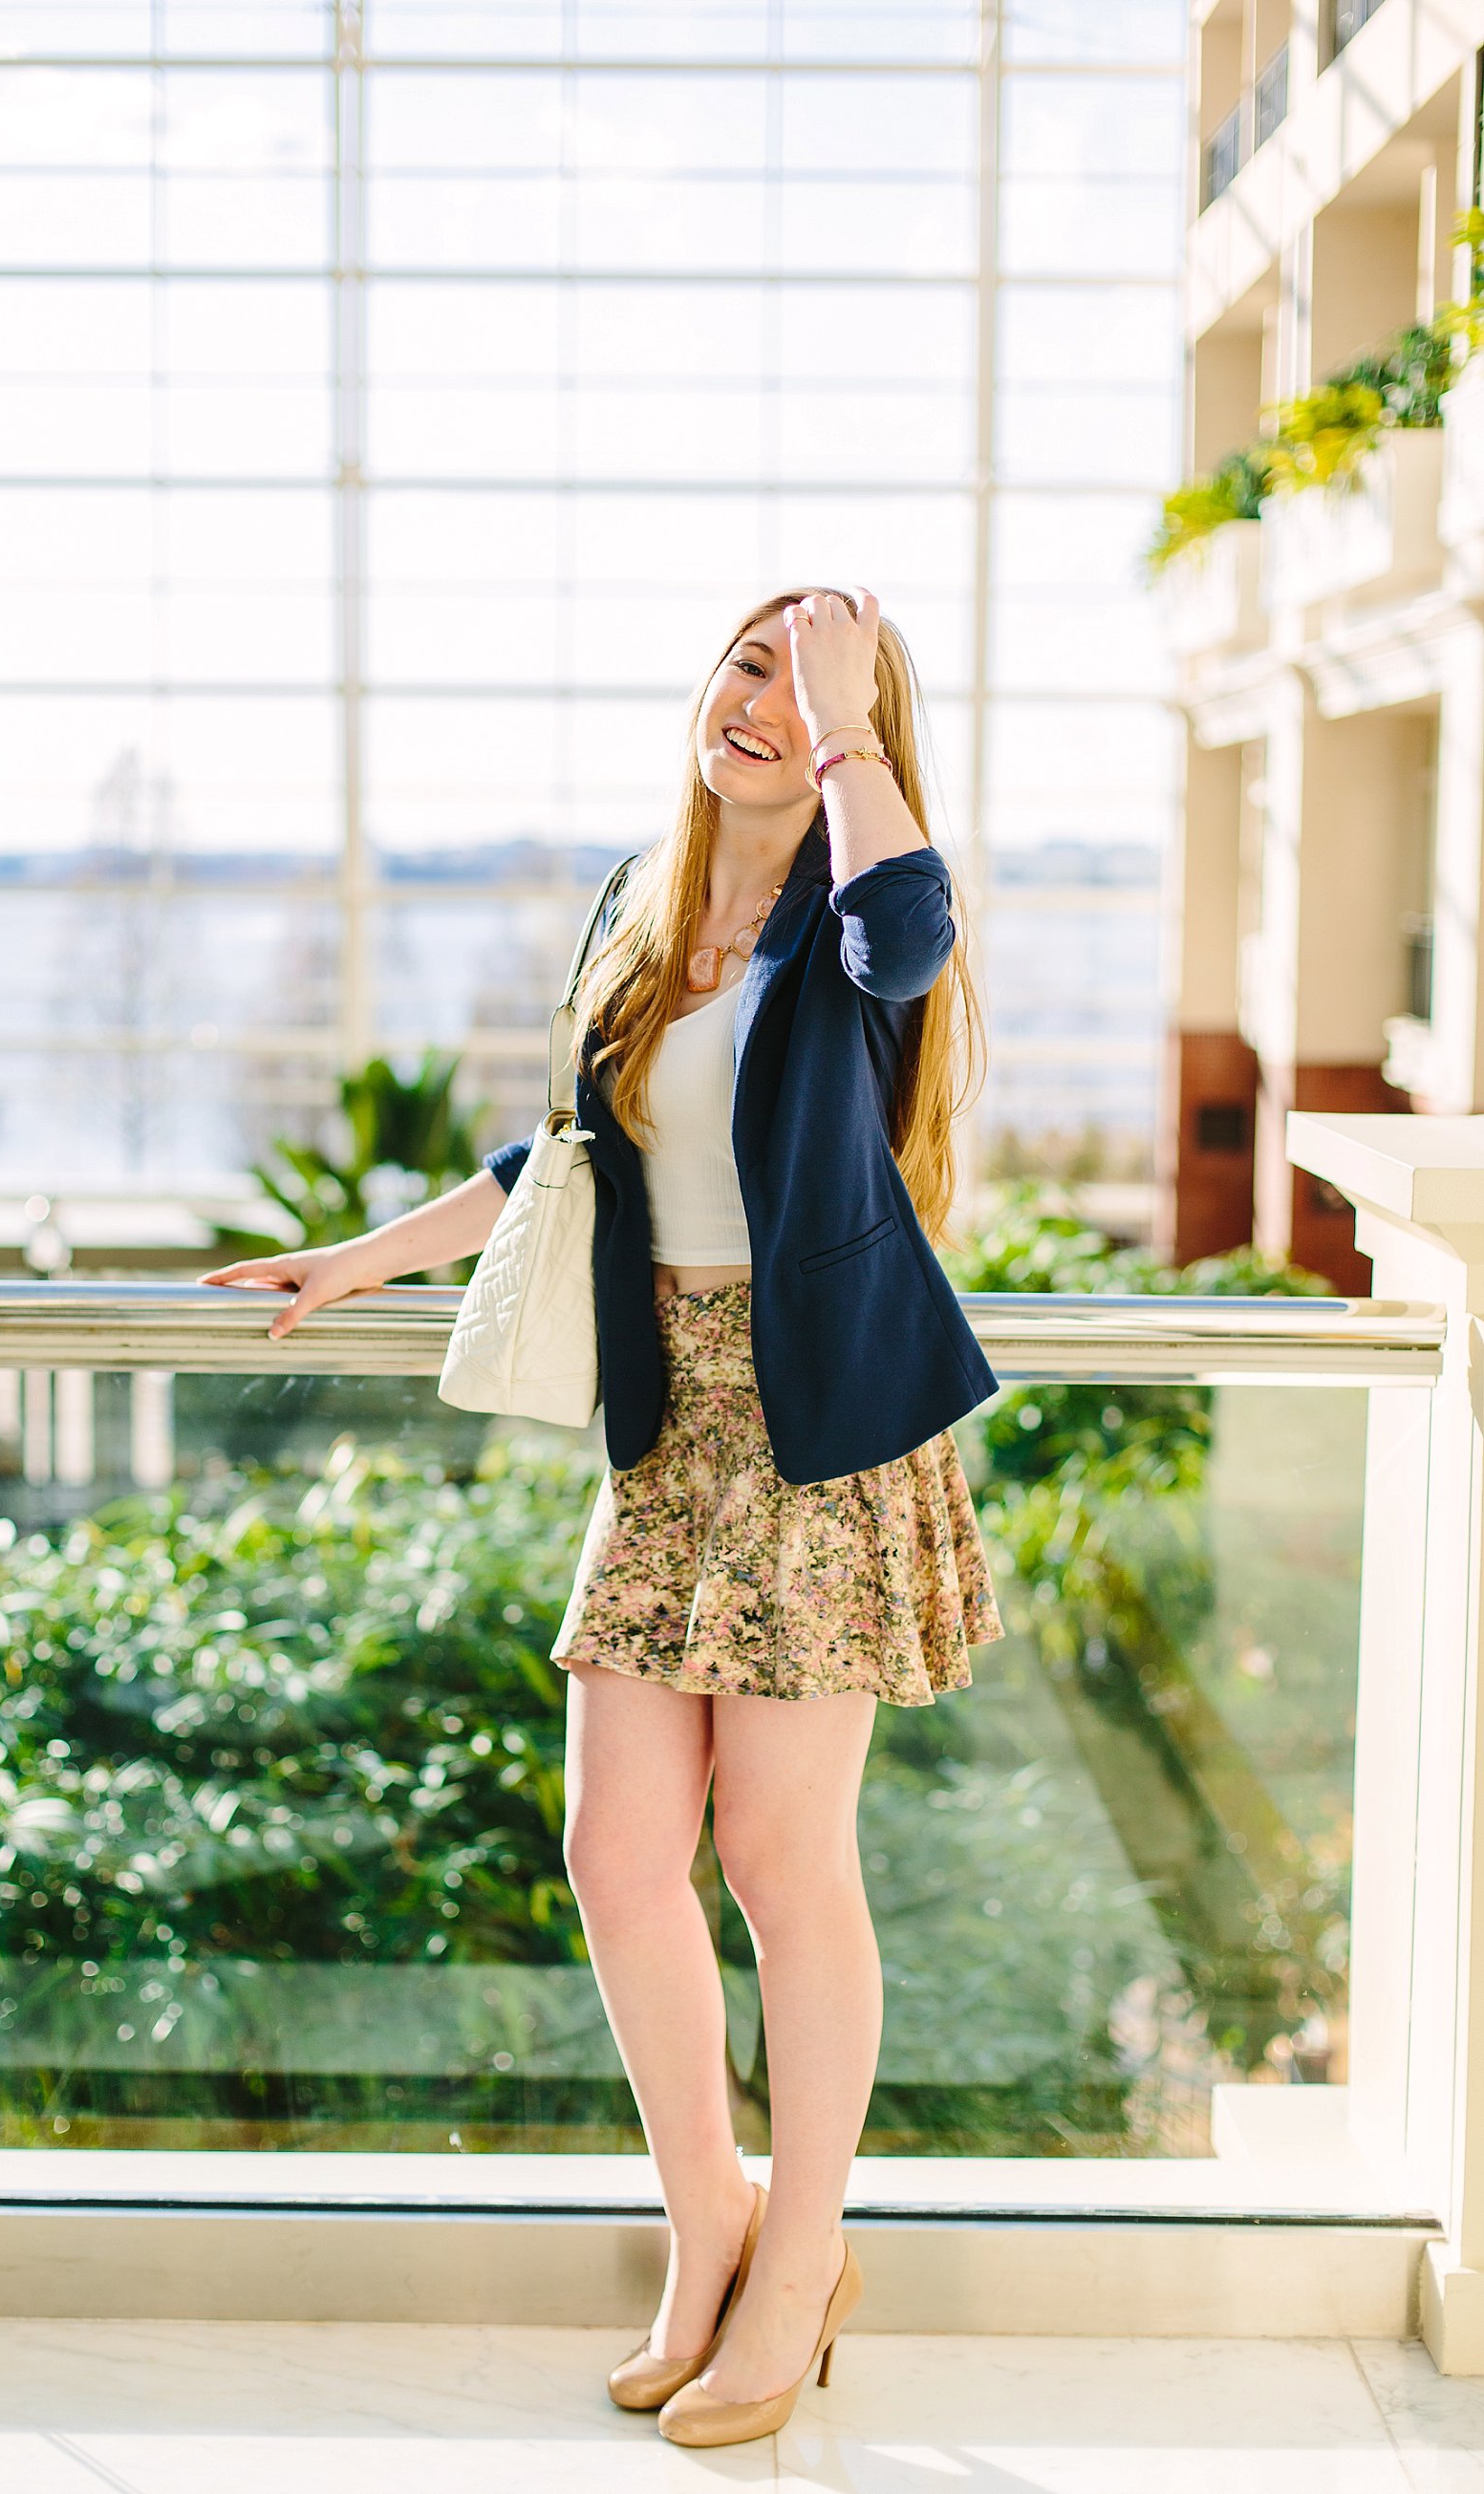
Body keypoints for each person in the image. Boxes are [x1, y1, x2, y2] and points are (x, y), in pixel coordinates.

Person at [202, 587, 996, 2450]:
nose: (765, 709)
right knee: (616, 1850)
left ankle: (798, 2266)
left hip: (817, 1431)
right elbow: (560, 1160)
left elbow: (909, 938)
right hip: (665, 1434)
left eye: (809, 693)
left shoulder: (854, 913)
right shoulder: (639, 903)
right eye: (748, 667)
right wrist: (357, 1258)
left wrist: (852, 734)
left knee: (786, 1869)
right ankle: (704, 2217)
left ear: (858, 731)